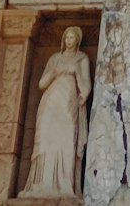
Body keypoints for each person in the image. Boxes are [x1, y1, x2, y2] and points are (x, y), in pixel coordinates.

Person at [20, 25, 92, 198]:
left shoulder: (81, 58)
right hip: (50, 102)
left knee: (67, 139)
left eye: (72, 37)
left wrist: (74, 72)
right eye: (66, 37)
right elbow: (42, 84)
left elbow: (86, 86)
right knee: (45, 139)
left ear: (77, 40)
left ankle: (65, 184)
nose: (69, 40)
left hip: (68, 102)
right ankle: (40, 184)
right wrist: (54, 72)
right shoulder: (54, 58)